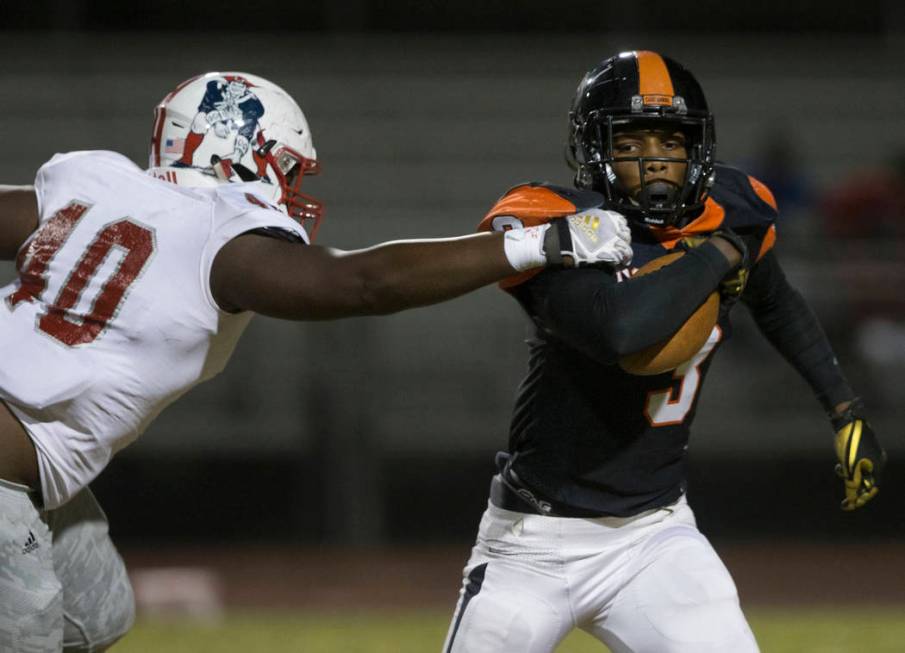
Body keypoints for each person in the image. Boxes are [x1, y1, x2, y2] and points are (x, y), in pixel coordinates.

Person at [0, 71, 634, 652]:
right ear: (242, 152)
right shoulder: (221, 235)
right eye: (286, 168)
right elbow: (363, 283)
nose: (292, 189)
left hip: (36, 470)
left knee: (95, 613)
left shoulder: (95, 183)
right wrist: (540, 242)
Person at [443, 50, 887, 653]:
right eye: (630, 144)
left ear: (696, 150)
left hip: (654, 535)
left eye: (671, 143)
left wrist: (843, 408)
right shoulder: (559, 223)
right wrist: (721, 252)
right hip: (532, 543)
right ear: (595, 151)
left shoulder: (727, 210)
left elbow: (777, 302)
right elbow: (622, 333)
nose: (655, 162)